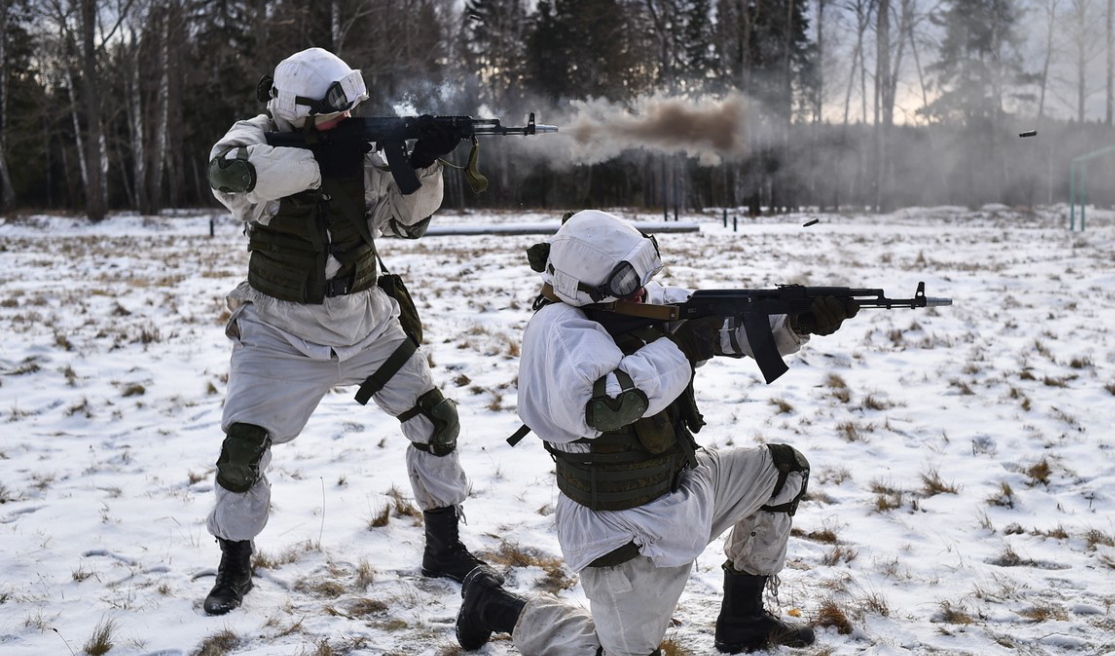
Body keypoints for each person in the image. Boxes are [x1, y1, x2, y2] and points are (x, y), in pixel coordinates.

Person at [456, 210, 860, 654]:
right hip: (622, 535)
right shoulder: (559, 335)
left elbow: (720, 328)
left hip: (682, 489)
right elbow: (607, 404)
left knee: (782, 471)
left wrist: (794, 322)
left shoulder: (624, 305)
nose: (643, 291)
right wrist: (684, 347)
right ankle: (495, 606)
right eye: (628, 283)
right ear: (585, 286)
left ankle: (743, 620)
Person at [202, 47, 492, 616]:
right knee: (242, 453)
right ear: (297, 111)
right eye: (332, 115)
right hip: (278, 330)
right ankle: (234, 561)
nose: (347, 120)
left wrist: (425, 162)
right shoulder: (250, 138)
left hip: (366, 320)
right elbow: (231, 174)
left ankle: (445, 547)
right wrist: (325, 160)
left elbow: (411, 223)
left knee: (437, 420)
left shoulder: (359, 147)